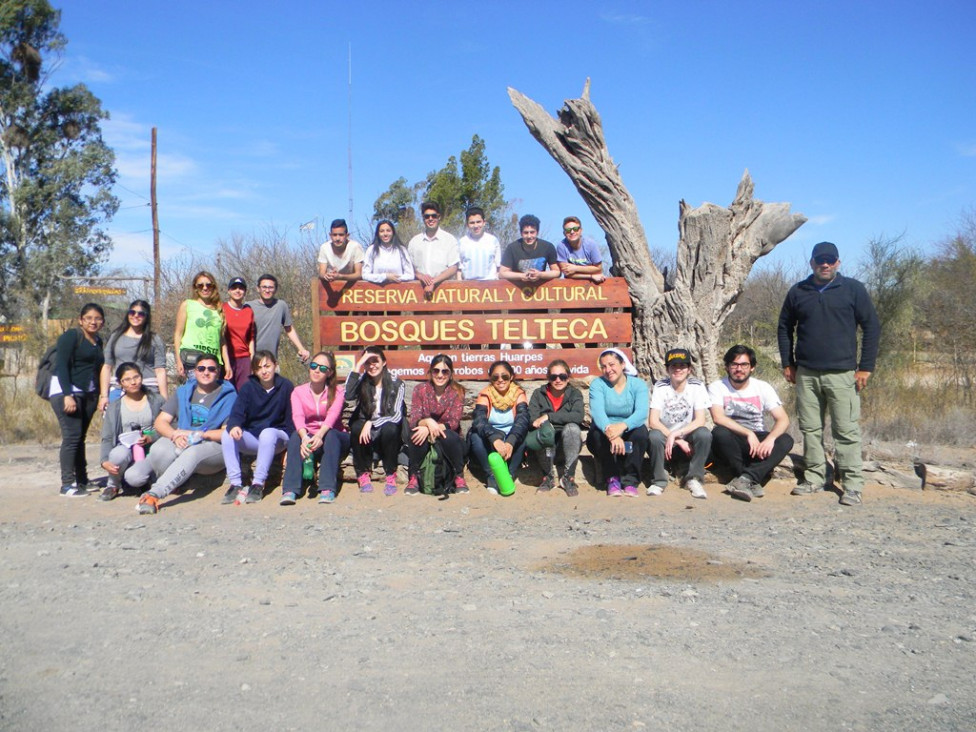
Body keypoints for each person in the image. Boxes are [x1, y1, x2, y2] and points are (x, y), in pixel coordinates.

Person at [777, 241, 881, 506]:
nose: (825, 264)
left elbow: (871, 327)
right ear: (811, 263)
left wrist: (866, 366)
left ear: (837, 263)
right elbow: (784, 327)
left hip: (843, 374)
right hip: (807, 373)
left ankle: (852, 484)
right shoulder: (798, 291)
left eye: (830, 260)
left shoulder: (853, 289)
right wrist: (788, 363)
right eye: (819, 260)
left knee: (845, 430)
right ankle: (814, 477)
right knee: (811, 429)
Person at [136, 354, 238, 515]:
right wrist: (175, 435)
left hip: (212, 447)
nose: (206, 372)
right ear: (195, 371)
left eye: (211, 369)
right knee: (158, 450)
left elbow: (226, 433)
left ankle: (154, 494)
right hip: (182, 439)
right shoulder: (183, 392)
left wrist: (198, 435)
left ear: (218, 372)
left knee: (192, 453)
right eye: (201, 368)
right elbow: (160, 422)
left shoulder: (229, 396)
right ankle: (176, 482)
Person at [708, 345, 794, 503]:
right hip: (732, 440)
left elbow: (783, 419)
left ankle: (745, 478)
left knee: (786, 440)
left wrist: (770, 439)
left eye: (744, 365)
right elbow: (718, 417)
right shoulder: (717, 387)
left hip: (758, 439)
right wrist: (748, 433)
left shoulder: (762, 387)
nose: (738, 369)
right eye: (734, 364)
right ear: (727, 367)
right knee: (719, 433)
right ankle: (751, 477)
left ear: (752, 367)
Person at [220, 350, 294, 505]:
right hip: (254, 438)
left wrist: (291, 448)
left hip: (278, 437)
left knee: (268, 433)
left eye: (267, 366)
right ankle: (235, 484)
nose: (264, 371)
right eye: (259, 368)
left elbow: (291, 420)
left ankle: (258, 484)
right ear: (254, 371)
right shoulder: (248, 388)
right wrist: (234, 426)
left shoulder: (286, 386)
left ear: (275, 365)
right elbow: (237, 413)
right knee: (227, 433)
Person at [49, 303, 106, 497]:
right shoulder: (71, 336)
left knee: (80, 438)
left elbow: (98, 370)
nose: (93, 321)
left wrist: (99, 395)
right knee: (72, 437)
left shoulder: (98, 341)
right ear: (81, 320)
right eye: (89, 318)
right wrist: (67, 394)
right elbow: (62, 366)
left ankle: (82, 480)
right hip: (67, 391)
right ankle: (66, 484)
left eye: (97, 318)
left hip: (88, 393)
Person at [280, 351, 349, 505]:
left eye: (323, 368)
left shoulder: (338, 391)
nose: (317, 370)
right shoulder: (298, 392)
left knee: (330, 435)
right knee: (295, 437)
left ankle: (327, 489)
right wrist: (305, 438)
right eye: (314, 366)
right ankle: (290, 490)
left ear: (329, 373)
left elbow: (332, 417)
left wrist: (319, 435)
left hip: (335, 437)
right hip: (310, 436)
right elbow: (298, 417)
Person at [647, 348, 712, 499]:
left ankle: (694, 479)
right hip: (665, 436)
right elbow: (653, 421)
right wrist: (674, 437)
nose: (678, 370)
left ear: (689, 369)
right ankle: (659, 480)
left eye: (682, 366)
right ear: (667, 369)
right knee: (654, 436)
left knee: (704, 433)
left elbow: (700, 420)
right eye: (673, 366)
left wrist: (678, 435)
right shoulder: (660, 387)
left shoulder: (697, 386)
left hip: (687, 436)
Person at [586, 348, 650, 497]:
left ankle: (631, 481)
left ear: (622, 364)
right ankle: (612, 478)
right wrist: (612, 434)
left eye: (612, 364)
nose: (608, 370)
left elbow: (641, 413)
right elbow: (597, 412)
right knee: (597, 434)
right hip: (605, 431)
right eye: (603, 366)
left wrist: (622, 426)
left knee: (640, 433)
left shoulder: (638, 385)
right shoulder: (597, 384)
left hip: (628, 429)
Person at [98, 362, 165, 501]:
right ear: (120, 383)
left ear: (141, 377)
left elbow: (171, 425)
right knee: (116, 455)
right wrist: (104, 460)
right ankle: (113, 485)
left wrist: (151, 437)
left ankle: (150, 481)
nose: (133, 382)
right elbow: (107, 436)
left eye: (136, 377)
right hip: (126, 446)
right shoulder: (115, 407)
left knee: (135, 478)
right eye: (127, 380)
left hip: (152, 446)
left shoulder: (156, 400)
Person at [345, 346, 406, 496]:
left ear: (384, 362)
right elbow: (348, 395)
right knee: (357, 427)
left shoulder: (397, 384)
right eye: (368, 362)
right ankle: (363, 473)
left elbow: (397, 416)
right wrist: (357, 366)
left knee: (390, 428)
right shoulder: (362, 381)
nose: (372, 366)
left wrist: (372, 423)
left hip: (386, 430)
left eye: (375, 361)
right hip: (365, 429)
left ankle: (390, 474)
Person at [405, 354, 468, 496]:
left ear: (450, 374)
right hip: (425, 436)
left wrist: (433, 428)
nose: (440, 375)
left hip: (449, 439)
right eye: (436, 371)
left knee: (449, 436)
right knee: (417, 433)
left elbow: (454, 422)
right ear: (430, 372)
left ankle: (459, 476)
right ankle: (414, 476)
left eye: (445, 371)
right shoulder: (420, 390)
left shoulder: (457, 391)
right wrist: (428, 423)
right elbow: (414, 418)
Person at [467, 360, 530, 494]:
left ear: (511, 377)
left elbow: (522, 420)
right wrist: (494, 438)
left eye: (504, 376)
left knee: (523, 435)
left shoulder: (519, 394)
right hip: (491, 436)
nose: (500, 380)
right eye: (495, 377)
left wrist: (511, 441)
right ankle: (491, 476)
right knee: (475, 436)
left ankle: (508, 475)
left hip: (511, 436)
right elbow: (479, 420)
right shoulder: (485, 394)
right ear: (490, 378)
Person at [526, 359, 584, 496]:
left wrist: (549, 417)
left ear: (568, 378)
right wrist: (552, 422)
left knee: (572, 429)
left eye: (562, 376)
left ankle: (568, 477)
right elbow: (533, 421)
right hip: (546, 445)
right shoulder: (538, 394)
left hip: (567, 443)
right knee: (545, 431)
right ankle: (548, 477)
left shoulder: (575, 394)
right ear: (548, 378)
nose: (558, 380)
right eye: (553, 377)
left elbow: (577, 416)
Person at [100, 299, 168, 405]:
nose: (135, 316)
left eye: (141, 314)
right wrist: (104, 396)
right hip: (119, 390)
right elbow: (107, 367)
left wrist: (164, 399)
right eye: (132, 312)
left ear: (146, 317)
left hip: (148, 390)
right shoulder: (116, 336)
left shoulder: (154, 339)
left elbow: (160, 370)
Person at [174, 270, 231, 382]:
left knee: (211, 397)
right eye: (200, 285)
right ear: (196, 288)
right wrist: (178, 361)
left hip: (213, 362)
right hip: (192, 361)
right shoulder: (188, 305)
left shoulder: (219, 309)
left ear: (213, 287)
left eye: (208, 285)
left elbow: (222, 341)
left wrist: (227, 364)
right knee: (195, 395)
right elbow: (178, 334)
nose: (205, 288)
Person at [248, 274, 310, 362]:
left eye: (271, 287)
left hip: (272, 359)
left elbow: (289, 329)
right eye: (264, 287)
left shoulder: (281, 305)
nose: (267, 290)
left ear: (275, 289)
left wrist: (301, 348)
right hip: (251, 359)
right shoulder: (248, 306)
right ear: (258, 288)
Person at [407, 201, 459, 298]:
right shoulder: (414, 242)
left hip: (444, 292)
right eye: (427, 216)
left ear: (439, 217)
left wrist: (433, 282)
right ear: (423, 218)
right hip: (419, 293)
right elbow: (409, 268)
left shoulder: (449, 240)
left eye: (433, 216)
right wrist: (421, 277)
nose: (430, 219)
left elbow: (453, 268)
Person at [499, 214, 560, 285]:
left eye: (532, 232)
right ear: (521, 233)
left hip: (540, 289)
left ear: (537, 232)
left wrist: (540, 275)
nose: (529, 236)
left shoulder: (548, 247)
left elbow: (556, 272)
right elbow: (502, 273)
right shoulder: (512, 248)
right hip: (517, 289)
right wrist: (521, 276)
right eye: (526, 232)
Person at [222, 277, 255, 391]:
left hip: (244, 359)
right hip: (226, 358)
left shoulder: (248, 311)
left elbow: (251, 338)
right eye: (234, 288)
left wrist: (252, 360)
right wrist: (226, 363)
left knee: (244, 392)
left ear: (245, 292)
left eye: (241, 288)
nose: (237, 291)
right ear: (229, 291)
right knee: (227, 392)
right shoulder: (222, 309)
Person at [362, 219, 415, 284]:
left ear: (393, 232)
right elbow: (365, 275)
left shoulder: (401, 250)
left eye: (388, 231)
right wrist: (385, 277)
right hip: (377, 291)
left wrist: (395, 278)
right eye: (382, 231)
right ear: (378, 234)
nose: (385, 234)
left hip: (399, 291)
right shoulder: (371, 250)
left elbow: (410, 275)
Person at [556, 216, 605, 283]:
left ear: (581, 230)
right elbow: (567, 273)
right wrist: (590, 276)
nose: (572, 232)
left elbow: (598, 269)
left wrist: (575, 268)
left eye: (575, 229)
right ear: (564, 233)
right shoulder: (561, 246)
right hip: (571, 285)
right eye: (568, 230)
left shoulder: (591, 244)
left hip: (594, 285)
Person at [458, 206, 501, 281]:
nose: (476, 226)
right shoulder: (461, 242)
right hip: (468, 286)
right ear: (467, 225)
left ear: (484, 222)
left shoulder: (493, 241)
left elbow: (498, 267)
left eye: (478, 222)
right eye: (472, 223)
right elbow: (459, 269)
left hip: (490, 285)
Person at [317, 218, 364, 283]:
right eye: (334, 235)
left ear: (347, 235)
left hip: (352, 287)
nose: (337, 238)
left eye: (341, 235)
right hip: (331, 284)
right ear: (330, 235)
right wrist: (326, 276)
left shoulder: (355, 247)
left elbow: (359, 274)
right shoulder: (324, 247)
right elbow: (321, 273)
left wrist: (341, 277)